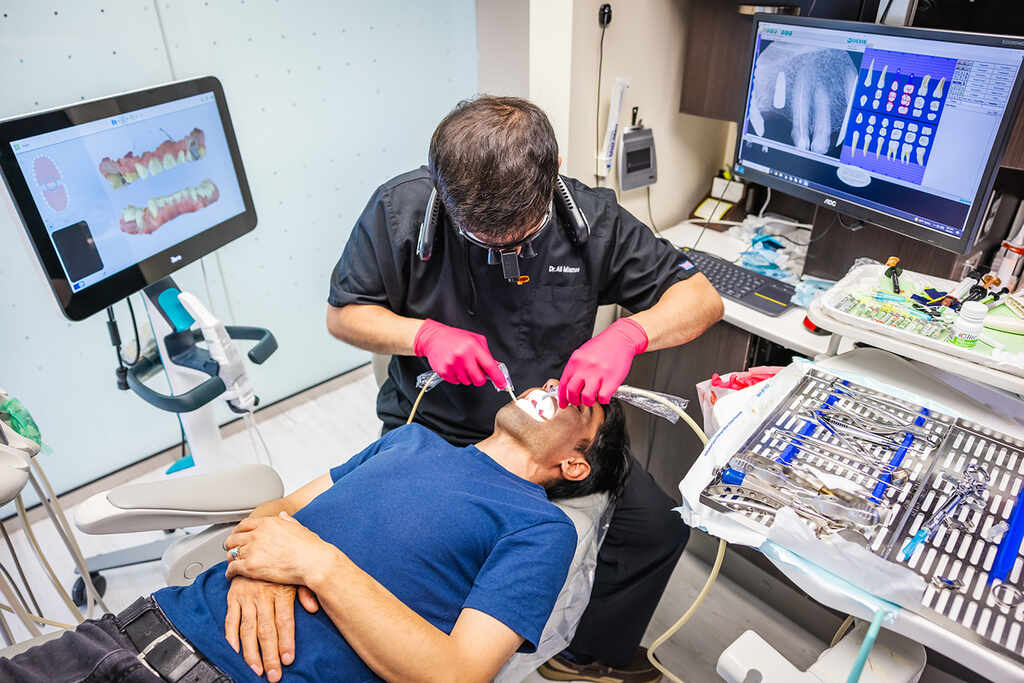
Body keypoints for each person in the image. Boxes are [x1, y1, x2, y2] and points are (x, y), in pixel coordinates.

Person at [327, 95, 723, 681]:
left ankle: (587, 656)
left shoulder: (594, 221)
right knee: (432, 557)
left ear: (553, 170)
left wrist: (628, 336)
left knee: (657, 527)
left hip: (553, 437)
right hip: (442, 431)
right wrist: (424, 336)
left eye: (517, 238)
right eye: (482, 240)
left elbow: (702, 300)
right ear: (441, 185)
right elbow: (344, 315)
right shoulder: (398, 211)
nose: (503, 254)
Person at [0, 386, 631, 683]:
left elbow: (457, 674)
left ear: (575, 462)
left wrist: (312, 563)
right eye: (556, 380)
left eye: (578, 401)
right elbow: (277, 508)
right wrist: (260, 568)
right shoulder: (410, 440)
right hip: (131, 636)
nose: (555, 387)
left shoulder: (540, 527)